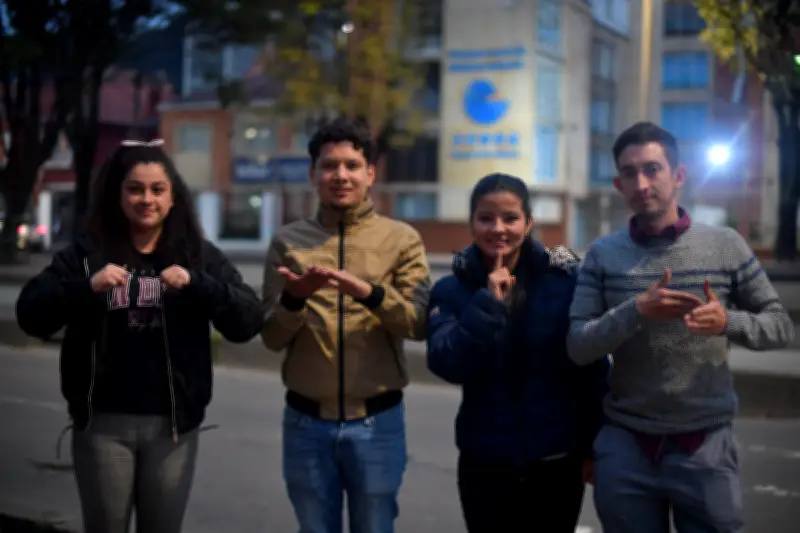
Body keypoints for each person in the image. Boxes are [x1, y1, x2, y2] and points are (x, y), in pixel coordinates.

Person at [15, 139, 265, 533]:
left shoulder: (199, 256)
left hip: (173, 428)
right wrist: (86, 287)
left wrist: (200, 285)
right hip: (102, 426)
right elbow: (30, 315)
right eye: (134, 189)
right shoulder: (85, 255)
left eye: (157, 190)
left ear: (172, 198)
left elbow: (249, 321)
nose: (145, 199)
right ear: (117, 195)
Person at [568, 122, 795, 533]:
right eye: (630, 173)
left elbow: (780, 326)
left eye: (652, 169)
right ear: (618, 184)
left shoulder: (724, 244)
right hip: (627, 442)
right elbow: (578, 346)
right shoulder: (602, 255)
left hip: (704, 443)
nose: (642, 182)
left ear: (679, 175)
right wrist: (635, 309)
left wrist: (728, 321)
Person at [260, 117, 432, 533]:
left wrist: (370, 293)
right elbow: (271, 336)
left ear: (370, 174)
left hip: (377, 423)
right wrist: (295, 298)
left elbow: (418, 322)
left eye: (352, 165)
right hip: (305, 423)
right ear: (313, 173)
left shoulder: (401, 239)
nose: (341, 175)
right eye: (329, 165)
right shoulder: (288, 242)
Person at [425, 173, 609, 533]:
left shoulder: (565, 282)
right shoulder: (451, 289)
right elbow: (446, 361)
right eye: (485, 218)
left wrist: (591, 446)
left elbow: (591, 369)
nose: (498, 229)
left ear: (528, 223)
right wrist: (487, 305)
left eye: (510, 218)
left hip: (557, 461)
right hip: (484, 462)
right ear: (471, 224)